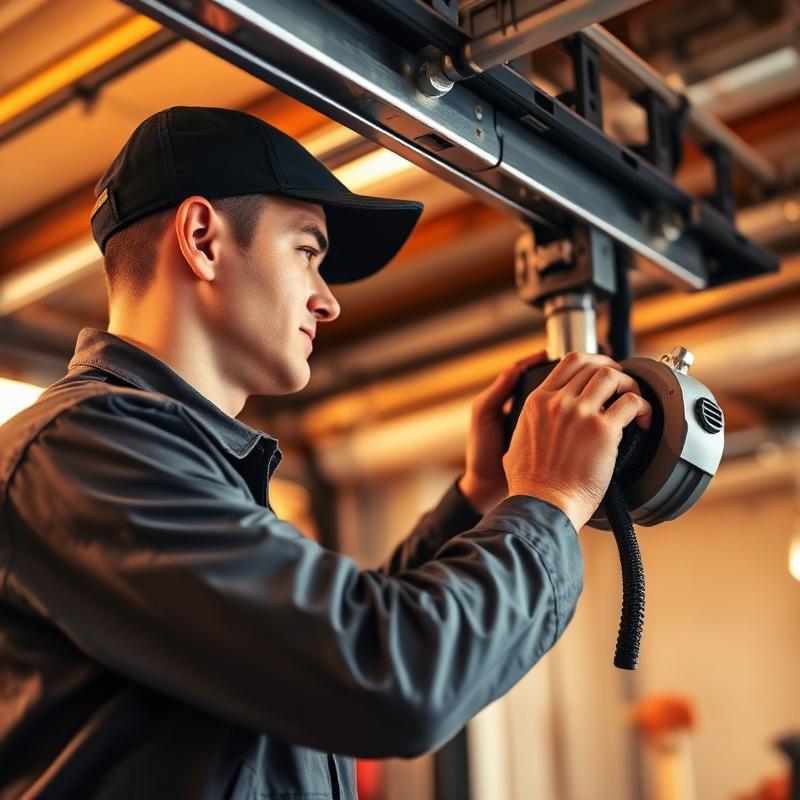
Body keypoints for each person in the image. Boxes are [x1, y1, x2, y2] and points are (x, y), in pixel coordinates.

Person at [0, 106, 651, 800]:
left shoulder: (155, 457)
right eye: (307, 252)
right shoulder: (84, 451)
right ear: (202, 239)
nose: (328, 302)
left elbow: (323, 644)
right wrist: (549, 501)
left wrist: (479, 501)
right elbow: (384, 674)